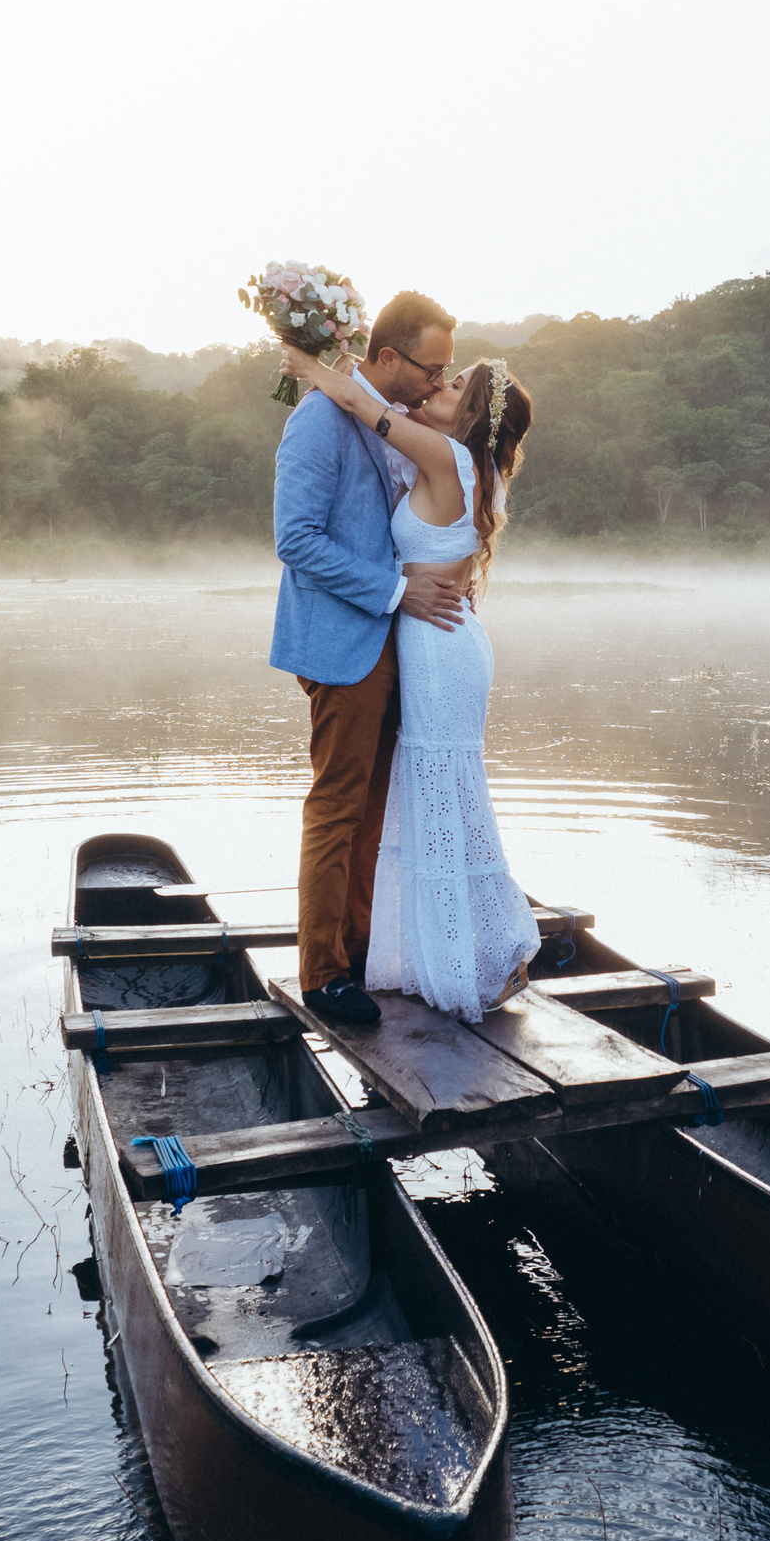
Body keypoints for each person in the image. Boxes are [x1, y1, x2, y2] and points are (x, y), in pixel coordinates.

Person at [278, 338, 539, 1023]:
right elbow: (381, 394)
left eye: (453, 386)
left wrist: (309, 366)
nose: (437, 387)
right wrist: (346, 349)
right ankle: (443, 948)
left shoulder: (445, 454)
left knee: (440, 798)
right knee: (436, 798)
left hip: (436, 643)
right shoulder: (474, 463)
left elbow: (367, 403)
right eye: (436, 373)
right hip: (441, 643)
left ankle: (487, 947)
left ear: (472, 415)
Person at [270, 290, 472, 1026]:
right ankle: (323, 975)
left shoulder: (392, 423)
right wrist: (395, 591)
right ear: (387, 357)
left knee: (375, 811)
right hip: (344, 641)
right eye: (430, 367)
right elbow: (297, 540)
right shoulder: (319, 420)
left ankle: (356, 953)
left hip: (395, 645)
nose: (434, 382)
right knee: (338, 807)